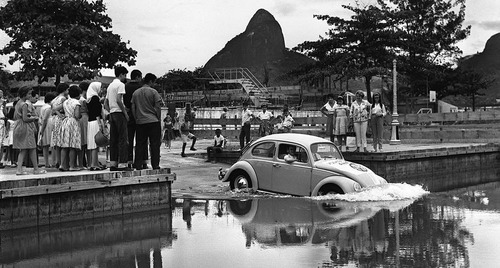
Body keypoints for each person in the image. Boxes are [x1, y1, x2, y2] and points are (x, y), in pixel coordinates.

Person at [131, 73, 162, 170]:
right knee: (154, 144)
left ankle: (138, 165)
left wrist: (136, 117)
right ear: (151, 81)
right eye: (154, 82)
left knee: (140, 144)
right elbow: (158, 107)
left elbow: (133, 106)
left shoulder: (136, 93)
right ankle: (155, 165)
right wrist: (158, 119)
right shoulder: (153, 92)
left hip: (140, 122)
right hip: (153, 121)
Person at [13, 86, 45, 175]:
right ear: (24, 94)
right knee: (32, 148)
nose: (30, 95)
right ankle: (35, 169)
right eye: (29, 94)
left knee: (23, 149)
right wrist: (34, 118)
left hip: (18, 126)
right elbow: (25, 119)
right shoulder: (24, 104)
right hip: (25, 127)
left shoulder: (18, 103)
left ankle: (20, 169)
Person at [106, 66, 132, 171]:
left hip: (112, 113)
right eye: (125, 75)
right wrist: (125, 113)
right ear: (121, 74)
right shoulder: (121, 85)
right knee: (123, 139)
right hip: (119, 113)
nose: (125, 77)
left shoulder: (110, 86)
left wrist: (110, 111)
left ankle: (113, 163)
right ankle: (123, 164)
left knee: (114, 139)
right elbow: (119, 100)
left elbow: (105, 103)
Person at [59, 85, 82, 171]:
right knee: (73, 145)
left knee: (64, 146)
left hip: (65, 122)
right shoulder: (76, 103)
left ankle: (62, 165)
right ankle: (72, 166)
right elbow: (76, 115)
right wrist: (80, 115)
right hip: (73, 123)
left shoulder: (65, 102)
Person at [124, 69, 144, 168]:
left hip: (128, 115)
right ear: (137, 77)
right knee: (140, 140)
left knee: (129, 139)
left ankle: (129, 161)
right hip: (140, 115)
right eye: (140, 77)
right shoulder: (141, 88)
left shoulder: (125, 87)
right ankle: (140, 162)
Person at [86, 82, 107, 171]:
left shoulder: (89, 99)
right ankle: (94, 164)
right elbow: (96, 113)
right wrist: (100, 124)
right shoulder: (95, 98)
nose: (101, 89)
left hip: (90, 122)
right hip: (95, 122)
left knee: (92, 143)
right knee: (96, 143)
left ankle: (93, 163)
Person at [50, 83, 69, 167]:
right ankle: (62, 162)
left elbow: (52, 110)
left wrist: (56, 113)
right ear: (64, 90)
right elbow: (64, 109)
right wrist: (60, 115)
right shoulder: (63, 99)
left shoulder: (54, 99)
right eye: (67, 89)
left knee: (57, 142)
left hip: (55, 120)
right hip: (61, 119)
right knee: (62, 141)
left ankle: (58, 160)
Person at [38, 91, 56, 168]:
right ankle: (53, 162)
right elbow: (45, 119)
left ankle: (46, 163)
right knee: (52, 145)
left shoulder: (43, 107)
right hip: (48, 125)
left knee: (45, 145)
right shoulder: (48, 108)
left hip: (43, 125)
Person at [78, 81, 90, 169]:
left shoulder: (78, 99)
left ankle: (82, 161)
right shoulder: (83, 100)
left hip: (80, 119)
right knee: (86, 142)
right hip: (85, 119)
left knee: (82, 141)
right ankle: (87, 162)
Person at [0, 90, 5, 169]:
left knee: (2, 144)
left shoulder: (3, 103)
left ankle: (0, 160)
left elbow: (5, 113)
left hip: (2, 122)